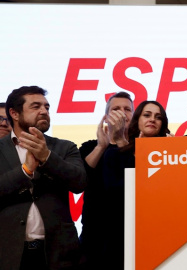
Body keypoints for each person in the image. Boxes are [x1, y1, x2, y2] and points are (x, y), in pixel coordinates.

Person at [0, 86, 87, 269]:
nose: (44, 111)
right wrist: (26, 170)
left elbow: (79, 182)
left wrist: (47, 157)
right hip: (10, 254)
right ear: (14, 114)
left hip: (59, 254)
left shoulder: (65, 147)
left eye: (46, 107)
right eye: (36, 106)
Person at [102, 100, 169, 269]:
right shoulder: (114, 154)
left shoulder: (171, 157)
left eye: (158, 117)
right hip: (121, 232)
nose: (152, 119)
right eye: (147, 115)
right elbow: (114, 191)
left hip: (158, 232)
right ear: (137, 120)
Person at [79, 91, 134, 269]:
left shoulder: (139, 149)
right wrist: (102, 146)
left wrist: (120, 140)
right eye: (116, 109)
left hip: (130, 232)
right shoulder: (89, 147)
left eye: (127, 109)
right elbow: (80, 180)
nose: (122, 113)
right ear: (106, 117)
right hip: (94, 233)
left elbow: (137, 176)